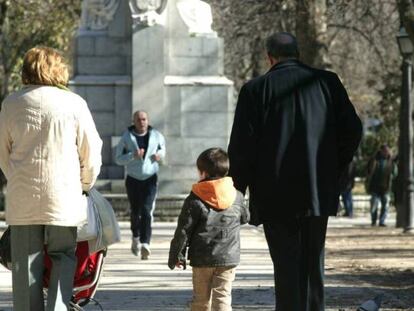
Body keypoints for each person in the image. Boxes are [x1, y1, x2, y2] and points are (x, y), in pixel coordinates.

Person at [228, 32, 362, 311]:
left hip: (274, 193)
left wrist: (238, 189)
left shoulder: (255, 89)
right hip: (316, 190)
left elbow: (242, 147)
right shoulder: (327, 82)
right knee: (314, 264)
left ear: (269, 57)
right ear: (298, 53)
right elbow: (352, 130)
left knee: (286, 267)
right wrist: (333, 169)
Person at [0, 46, 102, 310]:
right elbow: (91, 152)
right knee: (63, 256)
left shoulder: (11, 104)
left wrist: (17, 176)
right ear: (59, 69)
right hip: (64, 194)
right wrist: (85, 184)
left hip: (24, 195)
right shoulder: (75, 103)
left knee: (25, 262)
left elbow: (2, 153)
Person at [168, 148, 249, 311]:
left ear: (203, 173)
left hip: (202, 258)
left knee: (201, 299)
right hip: (228, 257)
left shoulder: (195, 199)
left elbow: (184, 231)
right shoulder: (237, 196)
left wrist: (177, 255)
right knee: (223, 297)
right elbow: (245, 218)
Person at [115, 110, 165, 259]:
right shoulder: (126, 137)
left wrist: (159, 156)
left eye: (144, 119)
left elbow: (163, 150)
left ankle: (145, 244)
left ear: (147, 121)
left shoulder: (156, 135)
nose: (141, 122)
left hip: (150, 178)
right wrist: (132, 156)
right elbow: (118, 158)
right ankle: (135, 237)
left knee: (147, 210)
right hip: (133, 178)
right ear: (134, 121)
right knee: (135, 211)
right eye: (138, 120)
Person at [366, 145, 397, 227]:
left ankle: (382, 221)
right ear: (381, 151)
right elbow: (369, 171)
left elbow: (395, 173)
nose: (387, 153)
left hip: (386, 187)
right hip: (375, 186)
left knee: (385, 205)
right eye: (385, 151)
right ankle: (373, 220)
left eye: (388, 151)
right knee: (374, 205)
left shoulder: (391, 161)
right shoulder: (375, 160)